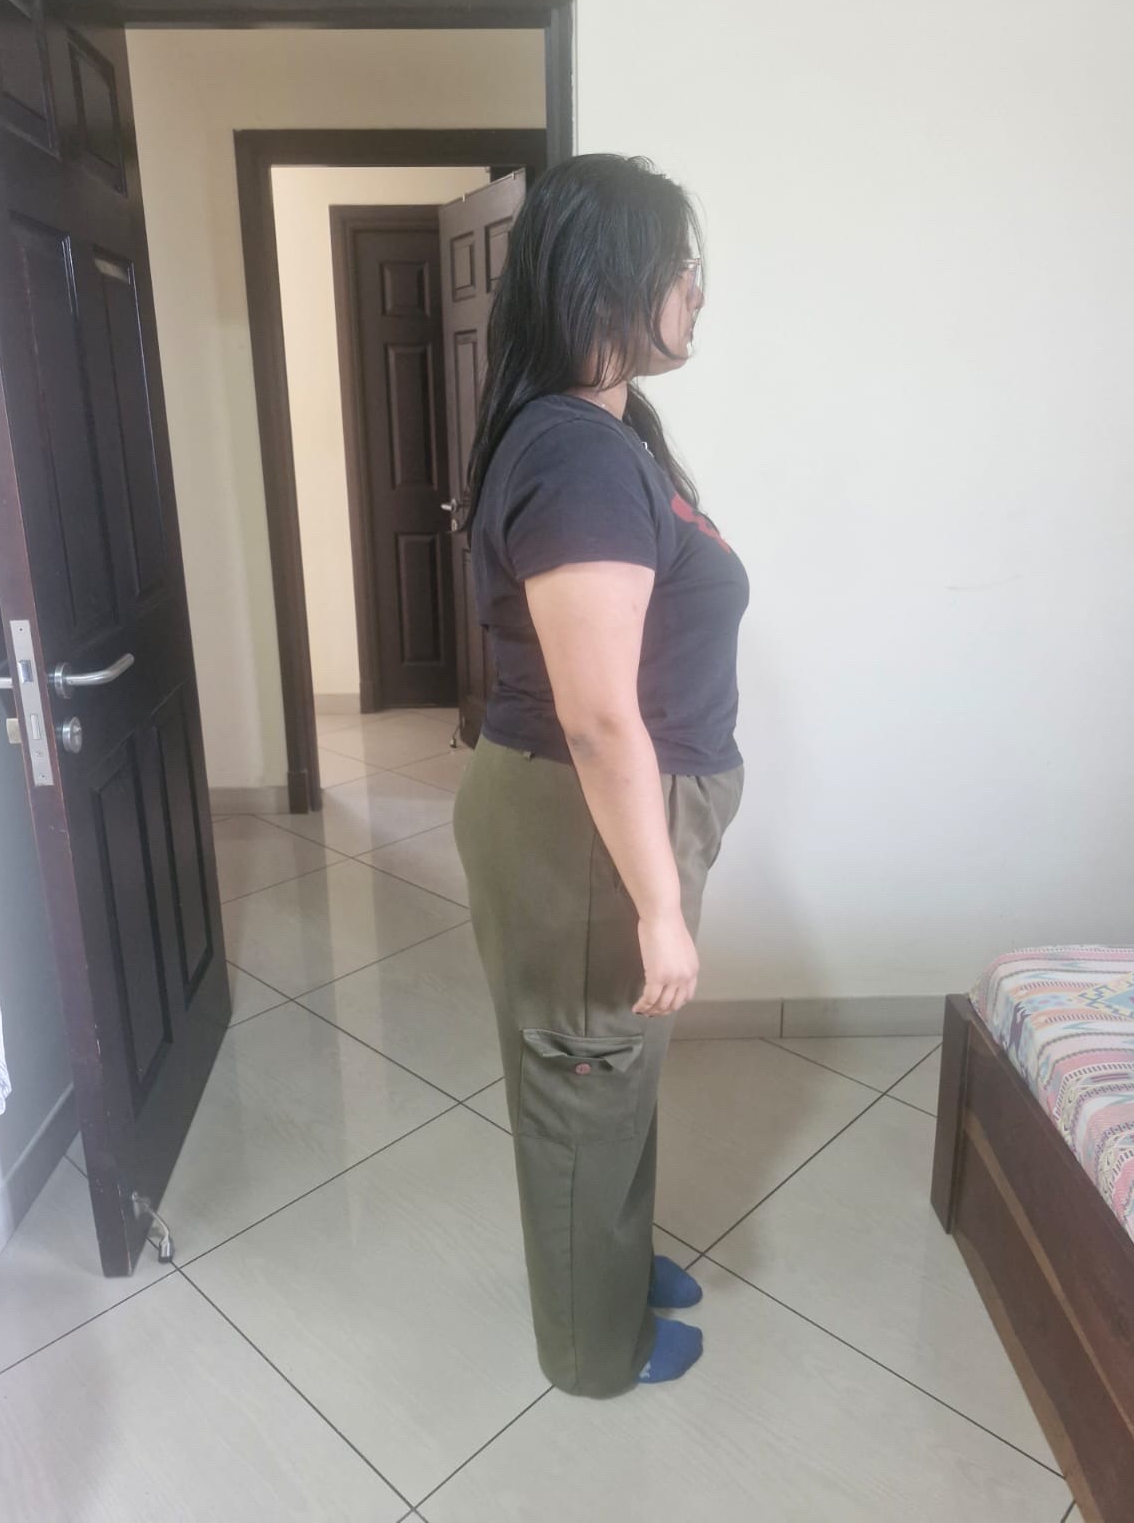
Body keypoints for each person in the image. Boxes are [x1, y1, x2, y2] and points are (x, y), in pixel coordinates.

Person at [453, 153, 749, 1398]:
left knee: (614, 1066)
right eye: (680, 267)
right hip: (589, 826)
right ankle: (593, 1349)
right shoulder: (573, 455)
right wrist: (660, 905)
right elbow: (594, 720)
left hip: (611, 821)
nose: (696, 291)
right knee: (588, 1074)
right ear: (608, 281)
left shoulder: (607, 432)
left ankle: (611, 1266)